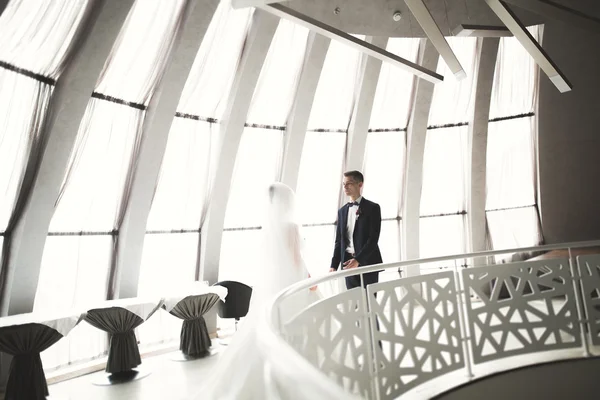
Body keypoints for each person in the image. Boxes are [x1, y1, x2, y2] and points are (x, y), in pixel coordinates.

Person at [197, 182, 319, 399]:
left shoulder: (268, 229)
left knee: (268, 326)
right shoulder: (290, 226)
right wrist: (309, 278)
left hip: (273, 286)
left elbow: (269, 262)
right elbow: (296, 259)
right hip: (292, 284)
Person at [329, 170, 382, 289]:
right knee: (354, 303)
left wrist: (358, 260)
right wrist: (334, 265)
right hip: (348, 263)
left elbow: (373, 239)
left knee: (369, 301)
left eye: (349, 183)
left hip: (368, 262)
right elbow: (339, 241)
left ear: (360, 184)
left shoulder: (373, 208)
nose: (345, 187)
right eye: (344, 184)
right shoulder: (342, 211)